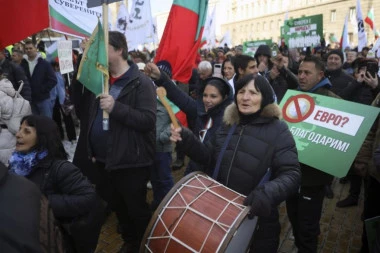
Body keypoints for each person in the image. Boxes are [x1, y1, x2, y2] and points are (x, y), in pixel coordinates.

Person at [170, 74, 300, 252]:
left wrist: (267, 193)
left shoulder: (278, 130)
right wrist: (187, 139)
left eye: (253, 93)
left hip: (257, 219)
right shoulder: (228, 124)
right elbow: (207, 157)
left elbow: (291, 174)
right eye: (241, 91)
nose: (245, 97)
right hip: (221, 212)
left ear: (265, 98)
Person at [86, 31, 156, 253]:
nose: (97, 52)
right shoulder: (101, 79)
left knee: (135, 208)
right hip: (104, 160)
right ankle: (129, 241)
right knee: (117, 207)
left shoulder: (140, 83)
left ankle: (143, 244)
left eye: (102, 47)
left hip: (130, 161)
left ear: (119, 49)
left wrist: (116, 108)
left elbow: (147, 120)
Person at [9, 115, 102, 253]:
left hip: (52, 240)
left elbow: (88, 197)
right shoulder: (16, 164)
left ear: (42, 137)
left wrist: (43, 203)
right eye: (19, 129)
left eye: (26, 131)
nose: (18, 135)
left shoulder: (60, 168)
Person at [286, 55, 340, 253]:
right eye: (299, 72)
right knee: (293, 217)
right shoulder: (292, 97)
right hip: (290, 174)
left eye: (307, 73)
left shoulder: (334, 102)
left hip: (313, 179)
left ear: (320, 75)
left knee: (307, 228)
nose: (301, 76)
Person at [145, 62, 233, 175]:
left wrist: (185, 136)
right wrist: (160, 77)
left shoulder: (228, 122)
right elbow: (179, 96)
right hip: (194, 170)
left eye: (213, 96)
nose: (207, 100)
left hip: (213, 175)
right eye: (205, 95)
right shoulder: (199, 111)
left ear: (224, 98)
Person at [21, 40, 57, 118]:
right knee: (35, 124)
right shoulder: (23, 64)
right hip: (30, 100)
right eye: (26, 49)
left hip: (43, 99)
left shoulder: (44, 63)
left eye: (30, 48)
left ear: (36, 48)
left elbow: (53, 80)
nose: (28, 50)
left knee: (47, 123)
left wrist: (42, 90)